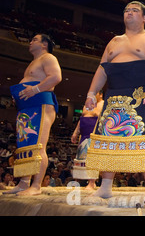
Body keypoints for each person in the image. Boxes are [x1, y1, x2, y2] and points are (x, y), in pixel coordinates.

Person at [84, 1, 145, 198]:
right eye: (126, 10)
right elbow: (102, 69)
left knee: (143, 138)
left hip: (140, 94)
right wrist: (91, 93)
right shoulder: (113, 42)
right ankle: (105, 186)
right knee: (108, 139)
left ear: (144, 18)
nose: (129, 13)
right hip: (113, 94)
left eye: (134, 10)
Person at [7, 34, 62, 196]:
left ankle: (36, 185)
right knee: (25, 146)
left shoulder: (48, 57)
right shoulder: (33, 62)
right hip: (27, 107)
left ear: (45, 44)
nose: (30, 42)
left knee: (38, 145)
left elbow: (56, 77)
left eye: (35, 40)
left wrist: (35, 89)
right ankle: (24, 183)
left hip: (41, 104)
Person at [71, 91, 104, 190]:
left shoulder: (103, 104)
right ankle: (78, 181)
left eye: (96, 94)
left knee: (93, 158)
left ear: (101, 95)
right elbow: (81, 119)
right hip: (83, 135)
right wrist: (75, 132)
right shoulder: (87, 104)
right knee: (81, 158)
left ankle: (92, 182)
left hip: (94, 135)